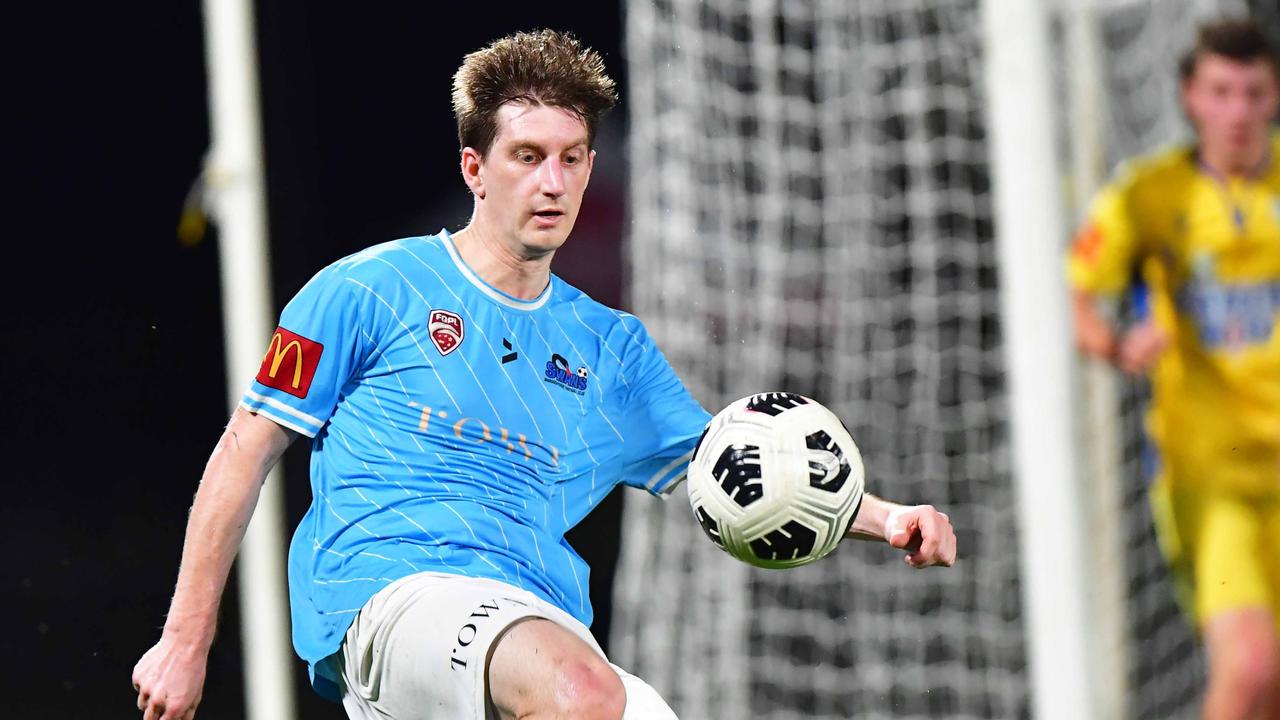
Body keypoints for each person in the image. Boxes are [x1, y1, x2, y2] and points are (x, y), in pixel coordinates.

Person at [131, 29, 958, 720]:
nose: (553, 182)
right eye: (528, 156)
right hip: (390, 601)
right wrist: (185, 640)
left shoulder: (611, 349)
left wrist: (885, 519)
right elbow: (246, 448)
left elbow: (741, 470)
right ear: (474, 169)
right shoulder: (367, 289)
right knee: (582, 691)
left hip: (536, 620)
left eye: (572, 158)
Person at [1067, 18, 1280, 720]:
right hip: (1209, 479)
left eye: (1253, 93)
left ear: (1274, 97)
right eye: (1222, 92)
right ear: (1191, 97)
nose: (1238, 112)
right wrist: (1117, 344)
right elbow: (1078, 297)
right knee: (1250, 668)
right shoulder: (1150, 195)